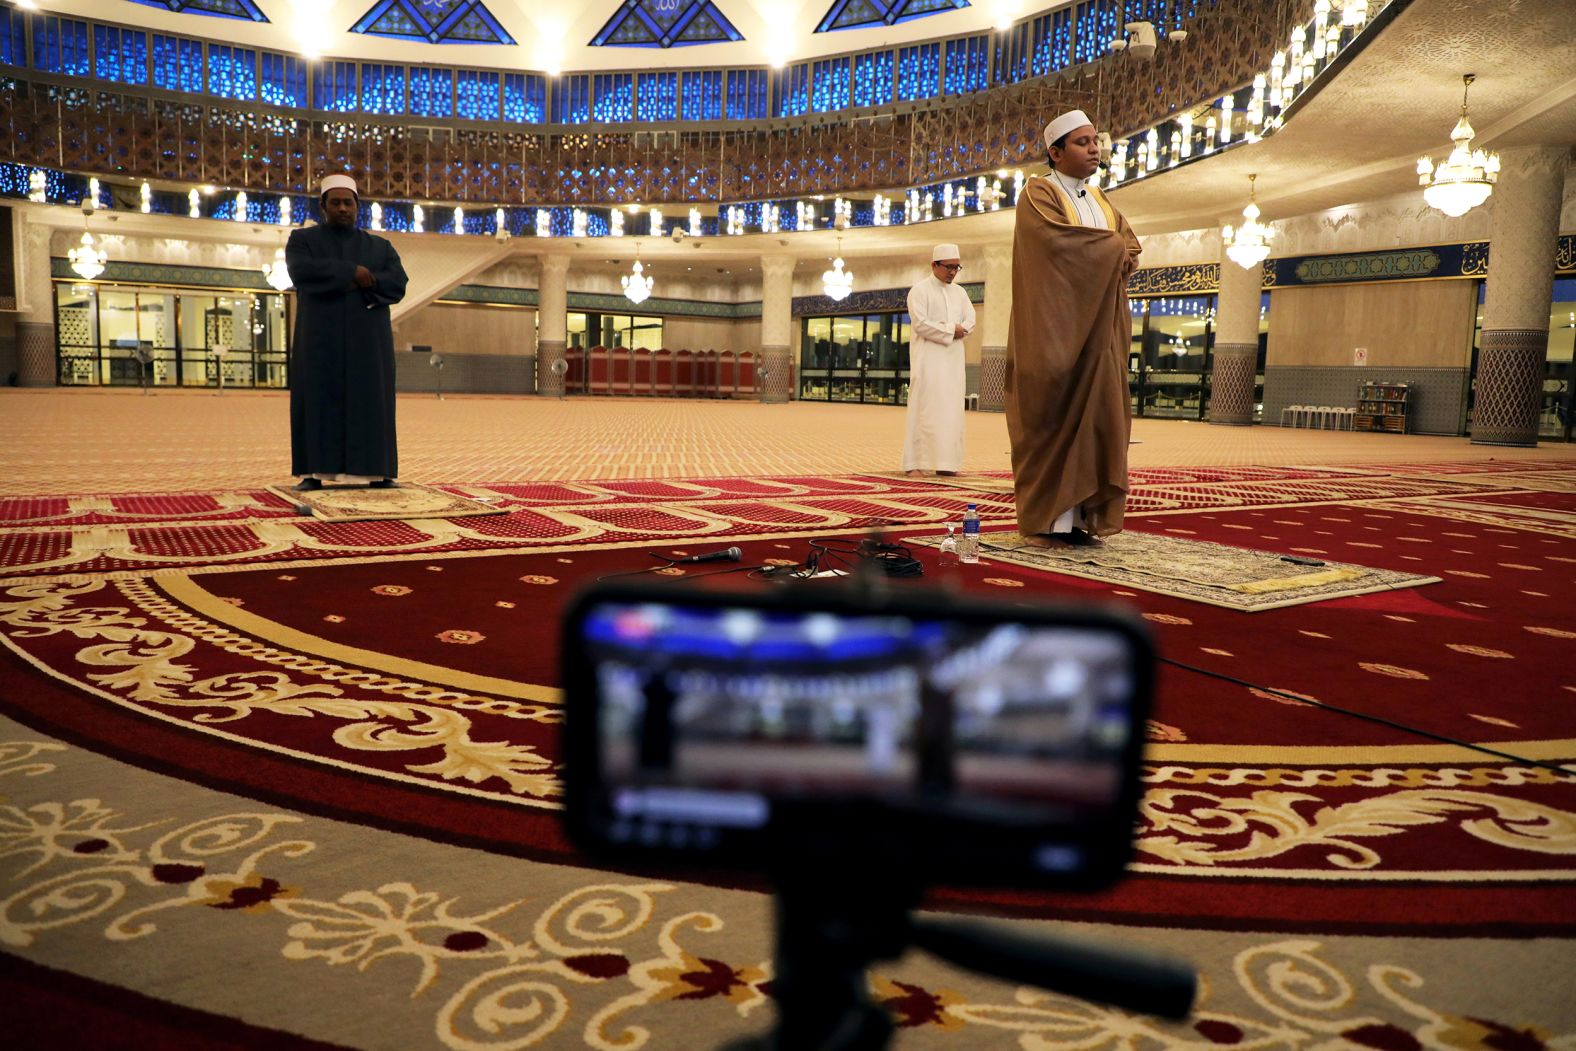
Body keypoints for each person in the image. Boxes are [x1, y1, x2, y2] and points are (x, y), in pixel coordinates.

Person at [1005, 109, 1142, 547]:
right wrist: (1114, 248)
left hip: (1101, 335)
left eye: (1095, 142)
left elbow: (1128, 240)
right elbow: (1057, 244)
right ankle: (1051, 521)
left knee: (1102, 421)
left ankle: (1082, 517)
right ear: (1056, 152)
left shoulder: (1100, 199)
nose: (1094, 149)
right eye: (1083, 143)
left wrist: (1122, 249)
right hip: (1056, 333)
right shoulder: (1037, 194)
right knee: (1053, 420)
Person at [286, 173, 408, 492]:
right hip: (319, 341)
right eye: (336, 202)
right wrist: (354, 274)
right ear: (323, 206)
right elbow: (302, 272)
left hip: (368, 344)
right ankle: (313, 472)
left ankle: (379, 472)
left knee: (373, 402)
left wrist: (348, 282)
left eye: (348, 202)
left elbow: (397, 283)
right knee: (317, 400)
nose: (342, 208)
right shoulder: (303, 242)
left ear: (358, 206)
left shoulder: (380, 247)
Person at [903, 243, 976, 477]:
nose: (953, 272)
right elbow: (920, 324)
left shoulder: (960, 293)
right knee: (924, 411)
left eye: (957, 267)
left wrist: (961, 329)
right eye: (949, 267)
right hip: (928, 362)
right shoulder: (919, 291)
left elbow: (970, 320)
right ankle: (914, 463)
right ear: (934, 265)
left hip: (954, 362)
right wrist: (950, 330)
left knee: (952, 412)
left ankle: (948, 463)